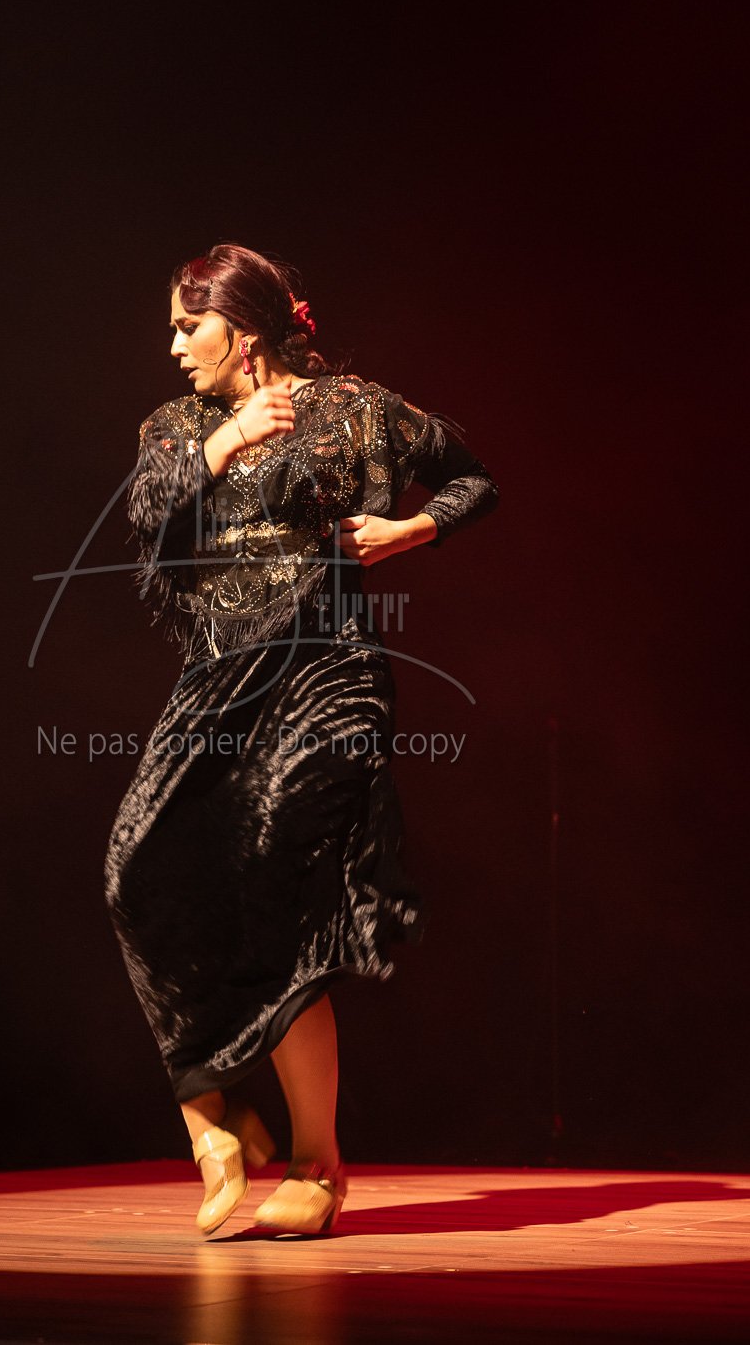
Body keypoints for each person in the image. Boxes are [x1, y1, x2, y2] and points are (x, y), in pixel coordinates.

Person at [104, 242, 499, 1238]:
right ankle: (214, 1119)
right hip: (217, 678)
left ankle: (317, 1164)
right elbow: (148, 522)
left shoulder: (354, 409)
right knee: (132, 871)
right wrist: (227, 441)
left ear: (240, 328)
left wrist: (411, 531)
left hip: (327, 669)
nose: (174, 346)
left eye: (188, 326)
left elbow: (471, 480)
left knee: (278, 887)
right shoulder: (177, 427)